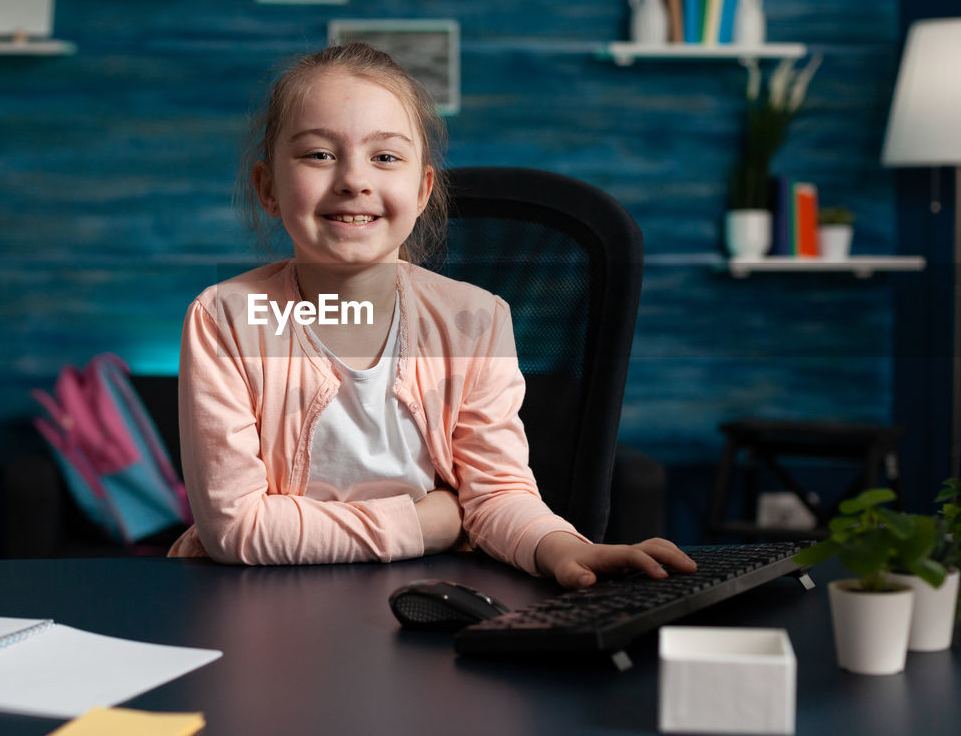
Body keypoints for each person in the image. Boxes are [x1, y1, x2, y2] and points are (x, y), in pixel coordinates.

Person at [168, 43, 694, 588]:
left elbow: (496, 494)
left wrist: (558, 547)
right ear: (268, 189)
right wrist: (422, 524)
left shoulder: (476, 320)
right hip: (257, 603)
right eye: (319, 154)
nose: (354, 179)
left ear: (422, 190)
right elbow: (236, 526)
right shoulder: (225, 319)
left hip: (421, 602)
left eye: (386, 157)